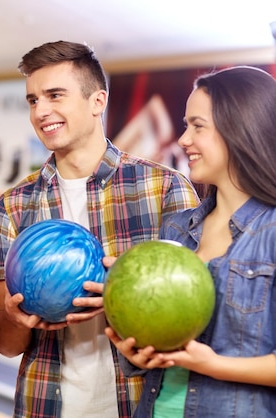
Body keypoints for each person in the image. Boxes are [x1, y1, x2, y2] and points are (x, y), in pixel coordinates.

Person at [0, 40, 200, 418]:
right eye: (33, 100)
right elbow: (6, 343)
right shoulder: (13, 206)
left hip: (140, 403)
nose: (41, 111)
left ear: (97, 101)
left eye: (55, 95)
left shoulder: (164, 188)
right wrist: (17, 318)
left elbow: (196, 317)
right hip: (45, 405)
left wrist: (126, 295)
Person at [106, 66, 276, 417]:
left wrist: (214, 365)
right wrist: (138, 351)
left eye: (197, 126)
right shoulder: (177, 229)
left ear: (241, 129)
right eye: (186, 126)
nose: (183, 139)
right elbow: (161, 344)